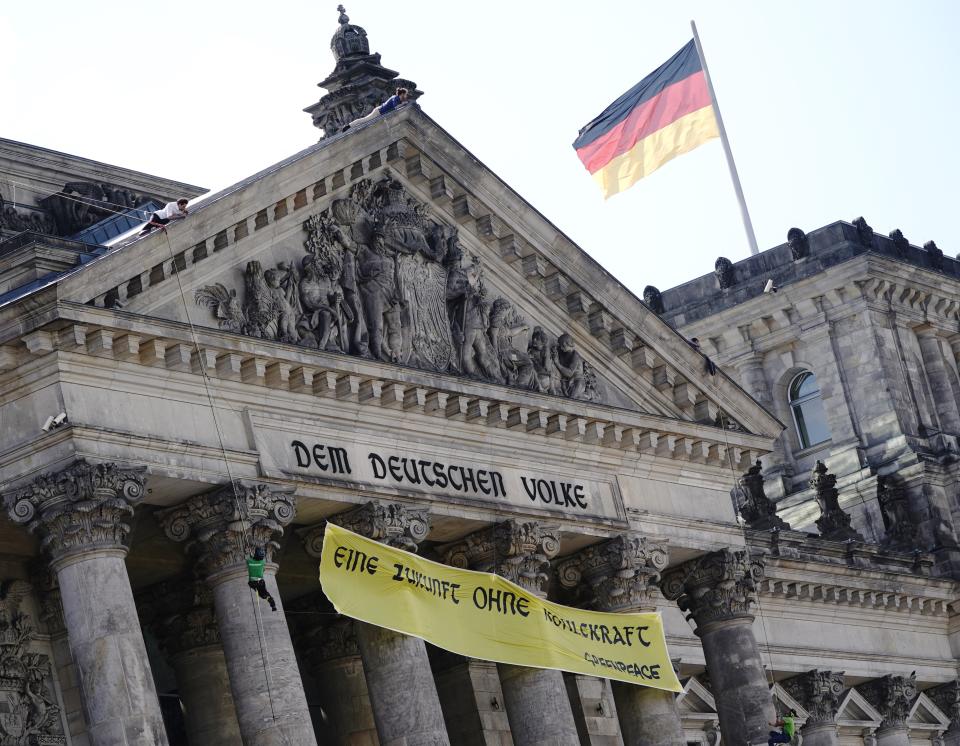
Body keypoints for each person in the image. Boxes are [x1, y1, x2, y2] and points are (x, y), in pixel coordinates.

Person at [341, 87, 409, 132]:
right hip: (378, 112)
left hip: (382, 114)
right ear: (402, 94)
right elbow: (395, 108)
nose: (406, 96)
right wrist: (403, 104)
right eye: (406, 94)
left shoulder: (399, 101)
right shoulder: (395, 98)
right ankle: (348, 126)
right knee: (365, 120)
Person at [247, 546, 277, 611]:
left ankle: (256, 590)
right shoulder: (262, 562)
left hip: (252, 583)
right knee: (265, 594)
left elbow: (250, 560)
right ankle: (273, 604)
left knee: (253, 586)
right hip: (260, 582)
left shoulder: (249, 561)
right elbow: (263, 570)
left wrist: (252, 557)